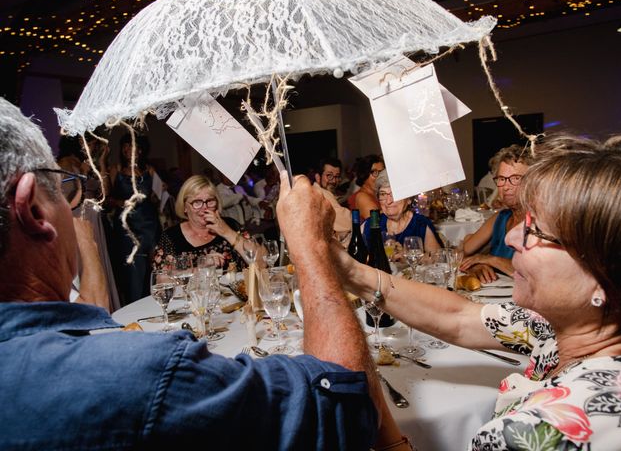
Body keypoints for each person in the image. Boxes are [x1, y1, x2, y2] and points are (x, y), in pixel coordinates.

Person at [0, 97, 410, 450]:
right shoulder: (143, 375)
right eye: (64, 186)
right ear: (33, 208)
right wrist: (310, 247)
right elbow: (342, 404)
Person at [323, 133, 621, 449]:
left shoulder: (540, 430)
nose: (514, 237)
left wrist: (379, 414)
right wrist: (346, 269)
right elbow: (459, 317)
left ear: (604, 280)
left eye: (535, 230)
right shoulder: (558, 326)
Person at [58, 133, 120, 311]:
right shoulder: (63, 164)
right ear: (77, 144)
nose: (92, 148)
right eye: (90, 144)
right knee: (88, 263)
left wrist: (101, 162)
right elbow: (66, 204)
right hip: (80, 219)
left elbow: (105, 194)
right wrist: (83, 177)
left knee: (100, 263)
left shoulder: (86, 163)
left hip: (95, 220)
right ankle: (94, 307)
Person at [460, 144, 533, 283]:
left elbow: (533, 272)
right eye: (501, 179)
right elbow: (463, 251)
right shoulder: (500, 218)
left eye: (516, 178)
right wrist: (475, 265)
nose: (506, 186)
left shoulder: (541, 223)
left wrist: (489, 259)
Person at [107, 132, 162, 305]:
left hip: (150, 226)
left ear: (140, 150)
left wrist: (159, 194)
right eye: (125, 146)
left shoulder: (150, 171)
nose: (127, 149)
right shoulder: (115, 170)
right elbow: (106, 200)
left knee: (153, 271)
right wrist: (120, 202)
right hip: (127, 228)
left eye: (132, 145)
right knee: (133, 274)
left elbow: (156, 198)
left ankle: (154, 309)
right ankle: (134, 313)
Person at [153, 175, 246, 271]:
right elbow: (161, 279)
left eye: (210, 201)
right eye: (197, 202)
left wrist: (226, 231)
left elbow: (258, 258)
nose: (205, 208)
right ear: (185, 207)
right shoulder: (170, 237)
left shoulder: (231, 225)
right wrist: (201, 268)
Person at [363, 170, 442, 257]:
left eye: (394, 195)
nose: (388, 201)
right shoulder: (371, 223)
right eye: (383, 194)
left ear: (408, 199)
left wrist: (407, 255)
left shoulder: (420, 224)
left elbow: (438, 259)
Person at [314, 157, 351, 236]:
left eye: (337, 176)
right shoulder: (321, 194)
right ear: (318, 177)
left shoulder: (321, 191)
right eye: (329, 176)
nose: (334, 181)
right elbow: (347, 223)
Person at [347, 154, 385, 220]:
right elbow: (375, 222)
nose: (380, 177)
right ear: (364, 175)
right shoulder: (362, 196)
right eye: (375, 173)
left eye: (382, 172)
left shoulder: (378, 194)